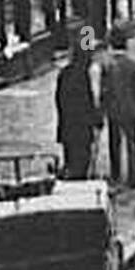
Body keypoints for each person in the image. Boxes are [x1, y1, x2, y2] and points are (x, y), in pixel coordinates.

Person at [100, 31, 135, 189]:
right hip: (131, 109)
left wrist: (102, 110)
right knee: (132, 144)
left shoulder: (107, 65)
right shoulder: (134, 65)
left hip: (113, 110)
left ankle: (115, 175)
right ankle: (133, 178)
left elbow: (104, 90)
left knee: (114, 143)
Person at [55, 38, 101, 181]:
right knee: (82, 163)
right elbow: (89, 101)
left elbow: (59, 99)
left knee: (70, 160)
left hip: (67, 127)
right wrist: (96, 120)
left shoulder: (64, 73)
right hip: (82, 128)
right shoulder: (85, 75)